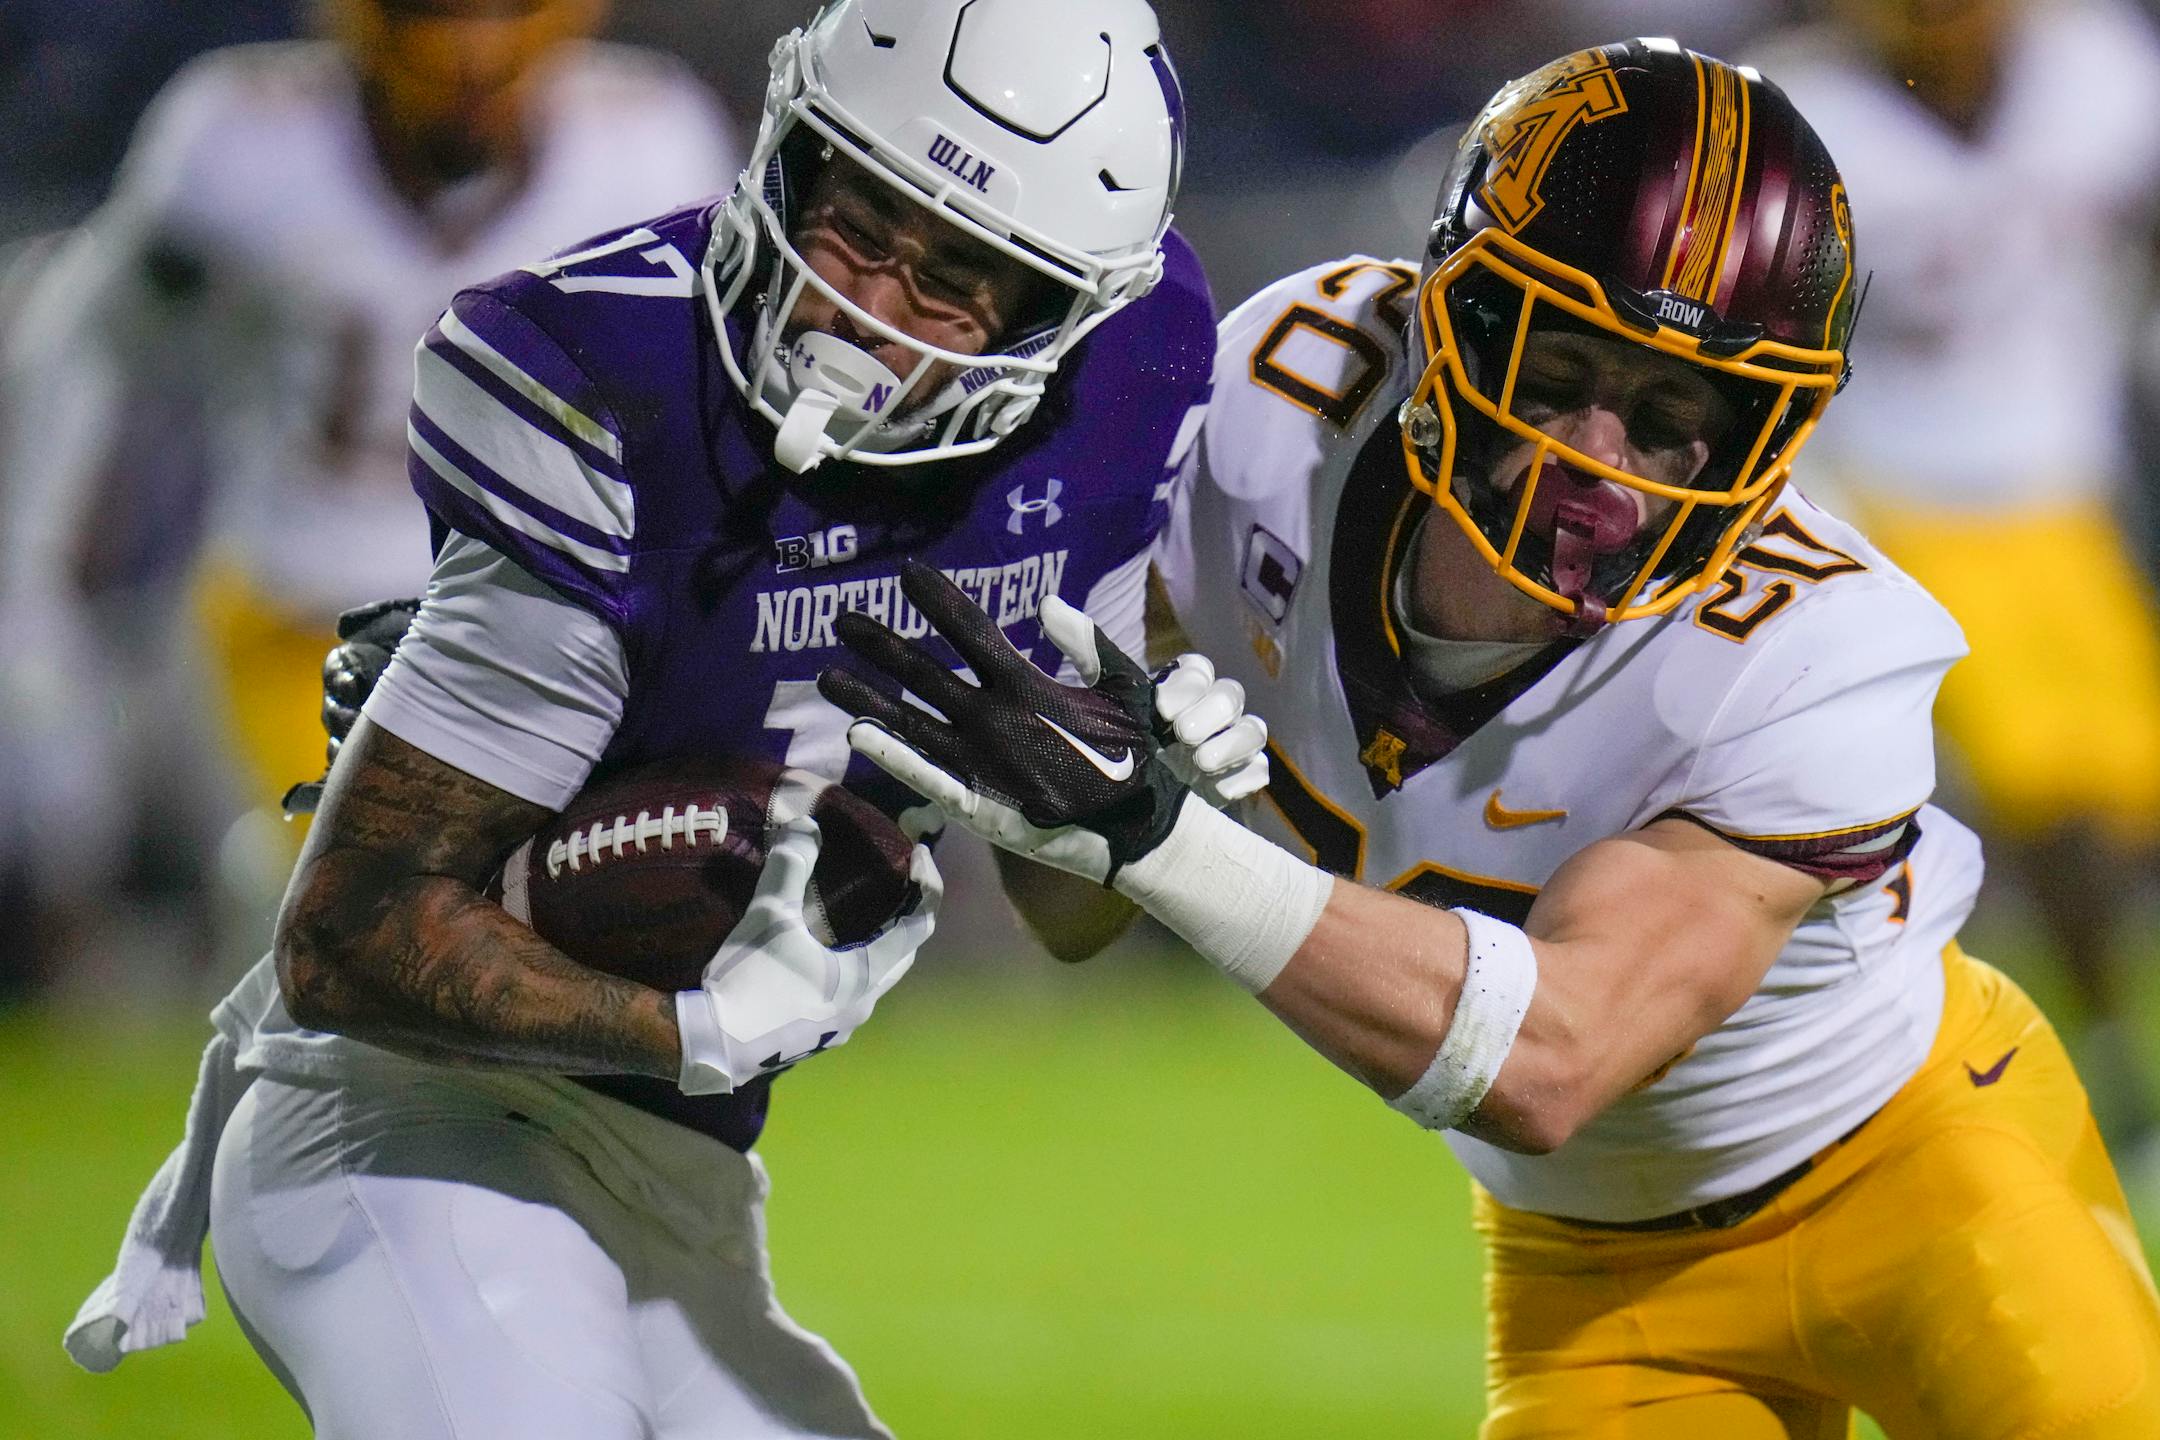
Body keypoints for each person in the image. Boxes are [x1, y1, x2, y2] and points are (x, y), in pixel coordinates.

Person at [824, 39, 2160, 1435]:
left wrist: (1162, 846)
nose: (1596, 460)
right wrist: (1076, 788)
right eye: (1559, 364)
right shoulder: (1279, 410)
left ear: (1760, 437)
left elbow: (1551, 1067)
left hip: (1926, 1181)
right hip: (1596, 1280)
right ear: (1450, 313)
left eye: (1670, 418)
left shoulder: (1816, 649)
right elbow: (1070, 913)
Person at [68, 2, 1246, 1436]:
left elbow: (1067, 920)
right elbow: (344, 935)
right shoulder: (612, 379)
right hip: (400, 1129)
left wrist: (1137, 806)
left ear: (1062, 310)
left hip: (672, 1167)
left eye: (955, 279)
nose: (858, 307)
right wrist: (690, 1025)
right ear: (787, 155)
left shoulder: (1122, 375)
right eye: (858, 221)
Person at [0, 0, 741, 989]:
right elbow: (91, 341)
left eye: (504, 12)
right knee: (357, 944)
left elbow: (730, 407)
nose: (471, 51)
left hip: (557, 637)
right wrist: (31, 586)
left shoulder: (652, 143)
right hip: (300, 625)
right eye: (433, 13)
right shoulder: (237, 141)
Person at [1752, 0, 2160, 1179]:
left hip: (2059, 489)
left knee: (2103, 802)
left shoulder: (2103, 73)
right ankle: (1934, 1074)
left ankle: (2087, 1058)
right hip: (1884, 492)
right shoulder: (1805, 115)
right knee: (1967, 805)